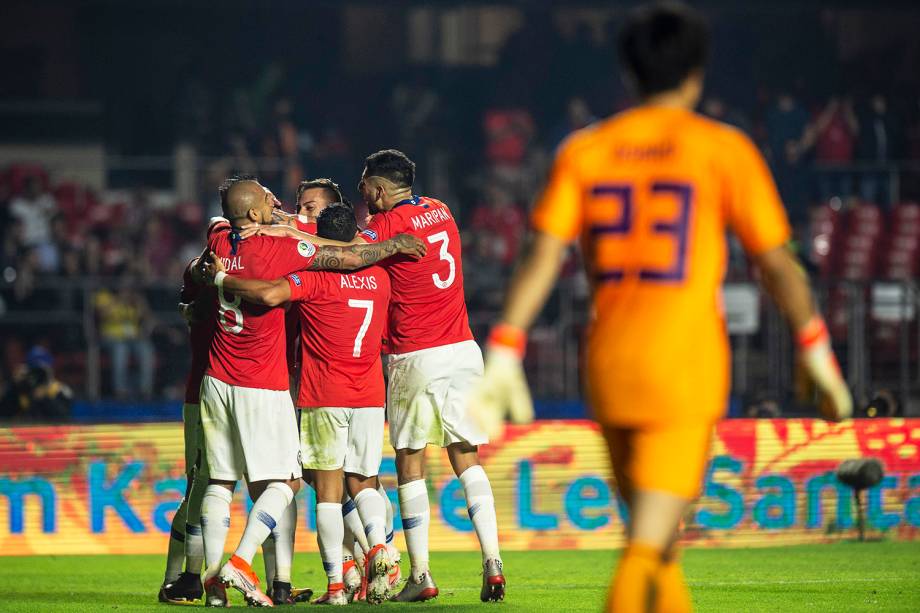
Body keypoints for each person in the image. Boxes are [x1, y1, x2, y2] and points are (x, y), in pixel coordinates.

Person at [469, 4, 853, 613]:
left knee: (658, 542)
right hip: (684, 367)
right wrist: (816, 349)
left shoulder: (586, 150)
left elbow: (541, 255)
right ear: (697, 73)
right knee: (648, 544)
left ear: (628, 74)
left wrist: (505, 349)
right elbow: (778, 262)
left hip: (610, 365)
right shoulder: (723, 149)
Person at [196, 177, 426, 607]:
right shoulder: (370, 277)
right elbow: (351, 255)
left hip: (237, 379)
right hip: (339, 390)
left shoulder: (220, 242)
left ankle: (239, 582)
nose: (277, 203)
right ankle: (377, 552)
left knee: (229, 482)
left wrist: (220, 279)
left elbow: (246, 267)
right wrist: (393, 245)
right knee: (346, 483)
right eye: (268, 199)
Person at [356, 149, 506, 602]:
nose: (363, 200)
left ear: (379, 190)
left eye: (365, 190)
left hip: (415, 354)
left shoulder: (382, 226)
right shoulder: (441, 210)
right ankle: (493, 561)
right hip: (463, 349)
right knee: (466, 455)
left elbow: (345, 254)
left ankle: (421, 574)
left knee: (410, 458)